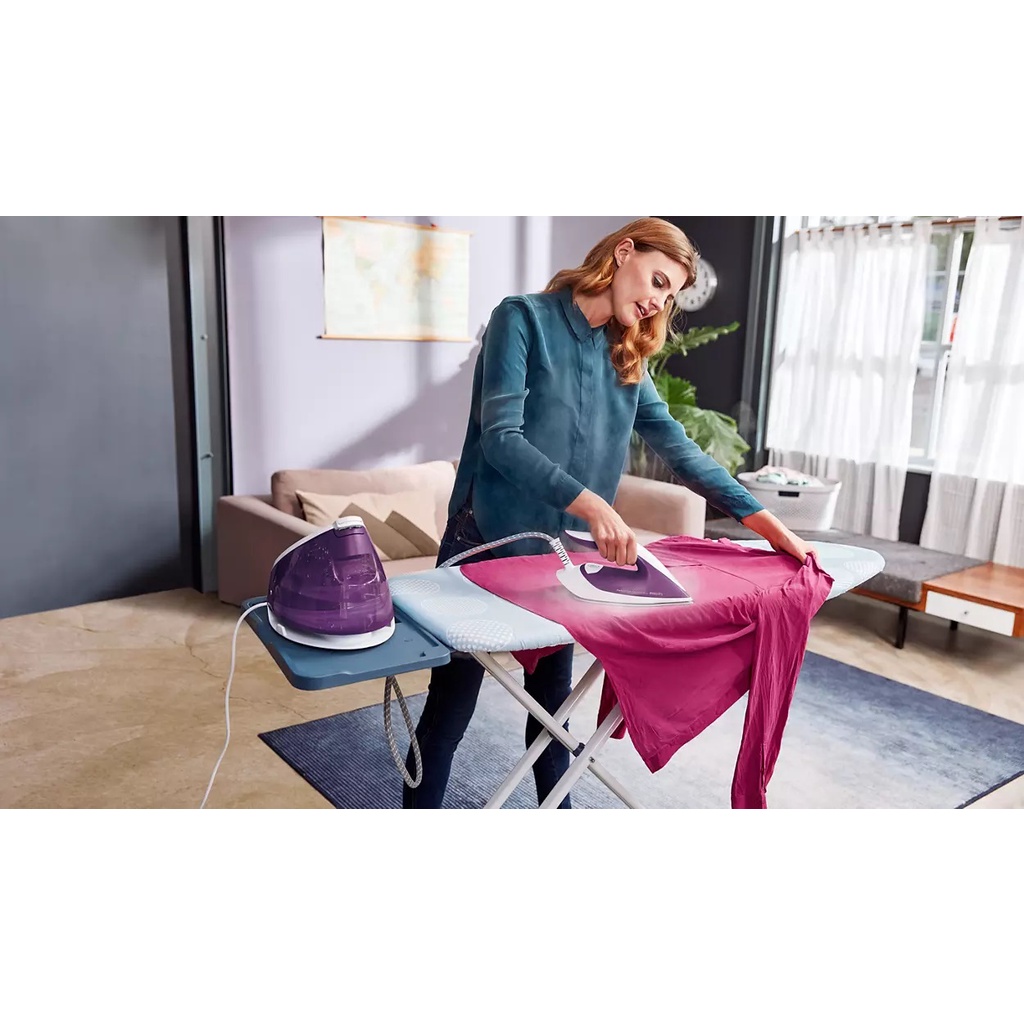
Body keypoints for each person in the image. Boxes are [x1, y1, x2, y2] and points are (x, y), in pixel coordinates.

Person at [402, 217, 811, 809]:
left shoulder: (626, 356)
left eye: (670, 296)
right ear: (623, 252)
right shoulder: (522, 319)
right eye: (658, 281)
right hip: (485, 540)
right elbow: (502, 439)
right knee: (448, 712)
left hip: (560, 558)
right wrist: (593, 505)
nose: (658, 303)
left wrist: (768, 525)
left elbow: (681, 451)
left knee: (552, 714)